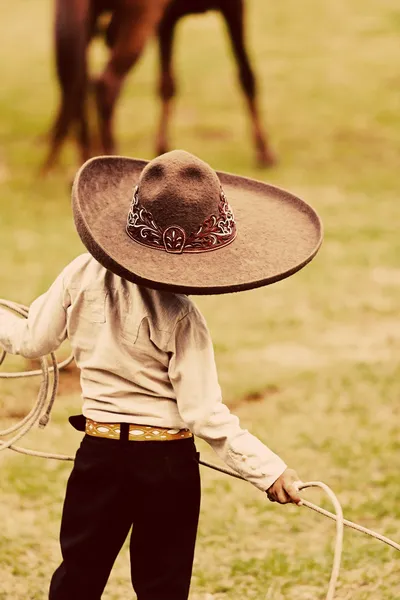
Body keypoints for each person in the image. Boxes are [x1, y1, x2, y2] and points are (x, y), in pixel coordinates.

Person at [0, 150, 323, 600]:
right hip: (166, 466)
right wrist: (269, 472)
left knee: (78, 576)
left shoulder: (79, 274)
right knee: (162, 586)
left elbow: (33, 340)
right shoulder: (181, 316)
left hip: (99, 456)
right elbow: (204, 414)